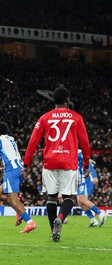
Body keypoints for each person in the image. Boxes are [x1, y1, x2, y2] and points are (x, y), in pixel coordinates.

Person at [22, 87, 90, 242]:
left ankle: (54, 231)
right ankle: (61, 218)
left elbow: (33, 142)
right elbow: (85, 142)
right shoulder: (76, 117)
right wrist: (86, 163)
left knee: (52, 197)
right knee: (68, 197)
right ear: (68, 100)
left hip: (50, 162)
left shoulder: (45, 117)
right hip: (69, 162)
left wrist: (26, 163)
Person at [76, 150, 106, 227]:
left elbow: (88, 163)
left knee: (83, 199)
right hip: (80, 180)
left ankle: (101, 214)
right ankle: (93, 220)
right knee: (79, 201)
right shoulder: (68, 153)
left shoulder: (78, 153)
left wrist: (95, 176)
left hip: (86, 179)